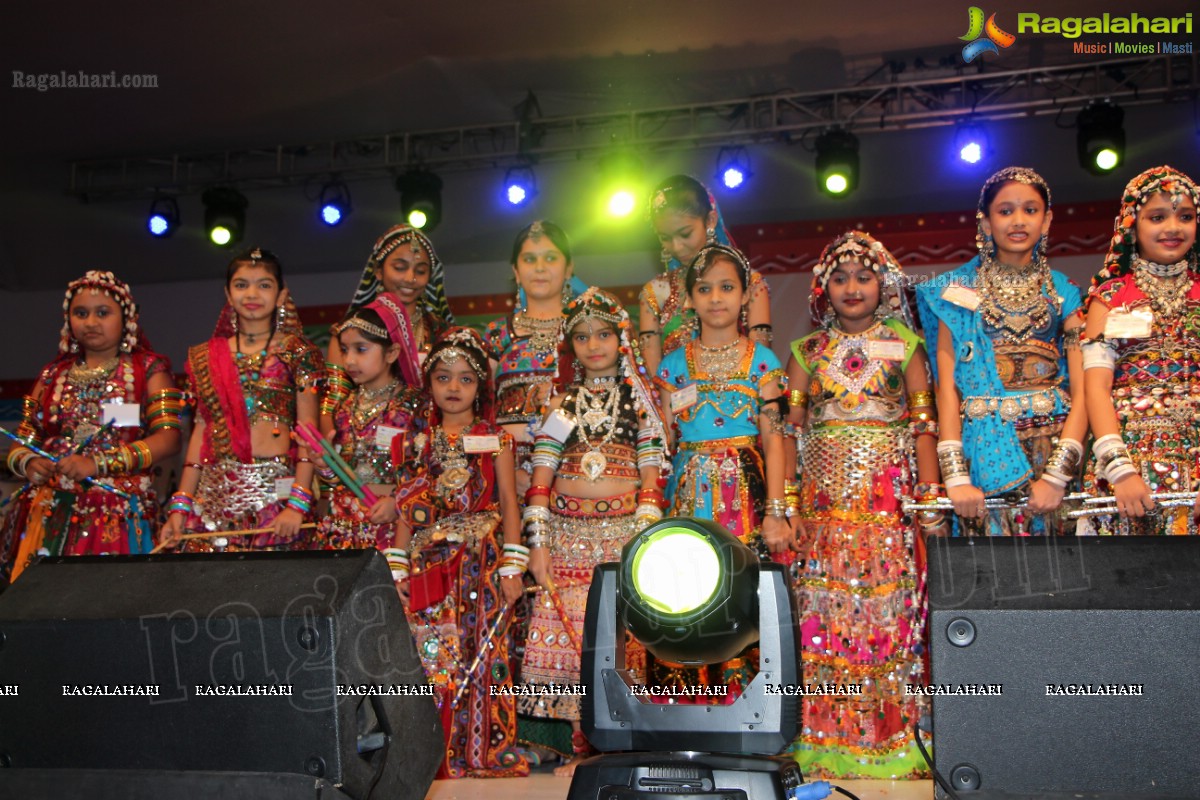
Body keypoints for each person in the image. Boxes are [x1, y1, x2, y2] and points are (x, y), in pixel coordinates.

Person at [784, 231, 936, 779]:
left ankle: (891, 736)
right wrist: (787, 506)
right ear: (823, 288)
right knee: (823, 618)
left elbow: (923, 425)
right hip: (824, 512)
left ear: (884, 284)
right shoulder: (808, 351)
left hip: (887, 505)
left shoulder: (906, 343)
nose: (852, 288)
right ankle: (827, 737)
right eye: (840, 277)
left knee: (887, 618)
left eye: (864, 277)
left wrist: (930, 495)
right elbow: (789, 433)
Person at [519, 287, 666, 776]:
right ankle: (570, 743)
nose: (593, 345)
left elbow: (650, 475)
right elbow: (540, 477)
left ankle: (615, 740)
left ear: (620, 338)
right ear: (570, 346)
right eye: (581, 337)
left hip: (622, 531)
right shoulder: (559, 402)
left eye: (603, 334)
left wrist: (641, 540)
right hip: (565, 534)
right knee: (563, 633)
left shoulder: (639, 400)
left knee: (616, 636)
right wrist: (537, 546)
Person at [386, 327, 529, 779]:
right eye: (444, 377)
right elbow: (407, 509)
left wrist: (512, 564)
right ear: (429, 384)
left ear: (480, 387)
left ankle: (481, 750)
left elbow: (508, 502)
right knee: (433, 657)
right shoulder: (417, 443)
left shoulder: (498, 440)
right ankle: (432, 753)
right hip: (430, 563)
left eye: (465, 379)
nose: (453, 388)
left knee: (483, 653)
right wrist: (397, 566)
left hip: (482, 561)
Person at [915, 167, 1087, 535]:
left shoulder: (1064, 291)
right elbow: (946, 388)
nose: (1018, 221)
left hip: (1054, 443)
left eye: (1030, 210)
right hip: (983, 450)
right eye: (1005, 211)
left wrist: (1058, 475)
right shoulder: (955, 291)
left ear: (1048, 219)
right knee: (993, 573)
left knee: (1066, 575)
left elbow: (1085, 389)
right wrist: (956, 476)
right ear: (985, 222)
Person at [2, 271, 182, 582]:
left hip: (120, 513)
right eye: (81, 313)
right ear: (68, 319)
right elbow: (22, 440)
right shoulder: (51, 375)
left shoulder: (148, 369)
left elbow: (168, 439)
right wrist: (30, 463)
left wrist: (96, 464)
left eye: (103, 313)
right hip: (50, 513)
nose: (90, 322)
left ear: (126, 318)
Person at [161, 248, 323, 551]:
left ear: (281, 294)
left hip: (275, 503)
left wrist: (298, 504)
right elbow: (200, 432)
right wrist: (180, 507)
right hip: (213, 505)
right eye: (241, 284)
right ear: (227, 292)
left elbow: (308, 432)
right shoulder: (204, 357)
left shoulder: (298, 353)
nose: (252, 293)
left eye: (264, 285)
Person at [1081, 165, 1200, 534]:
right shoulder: (1110, 298)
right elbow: (1096, 389)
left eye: (1186, 216)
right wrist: (1120, 471)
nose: (1173, 227)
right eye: (1157, 217)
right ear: (1132, 225)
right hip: (1131, 459)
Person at [655, 243, 790, 556]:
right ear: (690, 298)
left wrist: (776, 512)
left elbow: (773, 441)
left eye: (726, 287)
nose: (715, 298)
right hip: (687, 495)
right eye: (704, 289)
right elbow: (664, 443)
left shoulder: (763, 362)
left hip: (746, 495)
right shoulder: (672, 367)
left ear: (745, 295)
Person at [313, 292, 426, 549]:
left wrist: (398, 501)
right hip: (345, 530)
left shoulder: (416, 407)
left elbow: (428, 471)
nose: (349, 360)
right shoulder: (342, 409)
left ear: (392, 352)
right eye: (344, 350)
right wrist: (324, 466)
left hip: (395, 527)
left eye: (361, 349)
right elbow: (339, 480)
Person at [484, 220, 581, 494]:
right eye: (529, 259)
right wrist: (504, 471)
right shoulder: (497, 335)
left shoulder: (585, 330)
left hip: (572, 471)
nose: (539, 268)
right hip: (506, 476)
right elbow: (478, 411)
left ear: (569, 268)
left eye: (550, 258)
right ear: (516, 271)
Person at [640, 175, 771, 375]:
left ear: (710, 221)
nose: (676, 246)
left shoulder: (750, 284)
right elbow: (653, 379)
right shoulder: (656, 293)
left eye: (685, 234)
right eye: (665, 238)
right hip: (676, 403)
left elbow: (762, 366)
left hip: (740, 401)